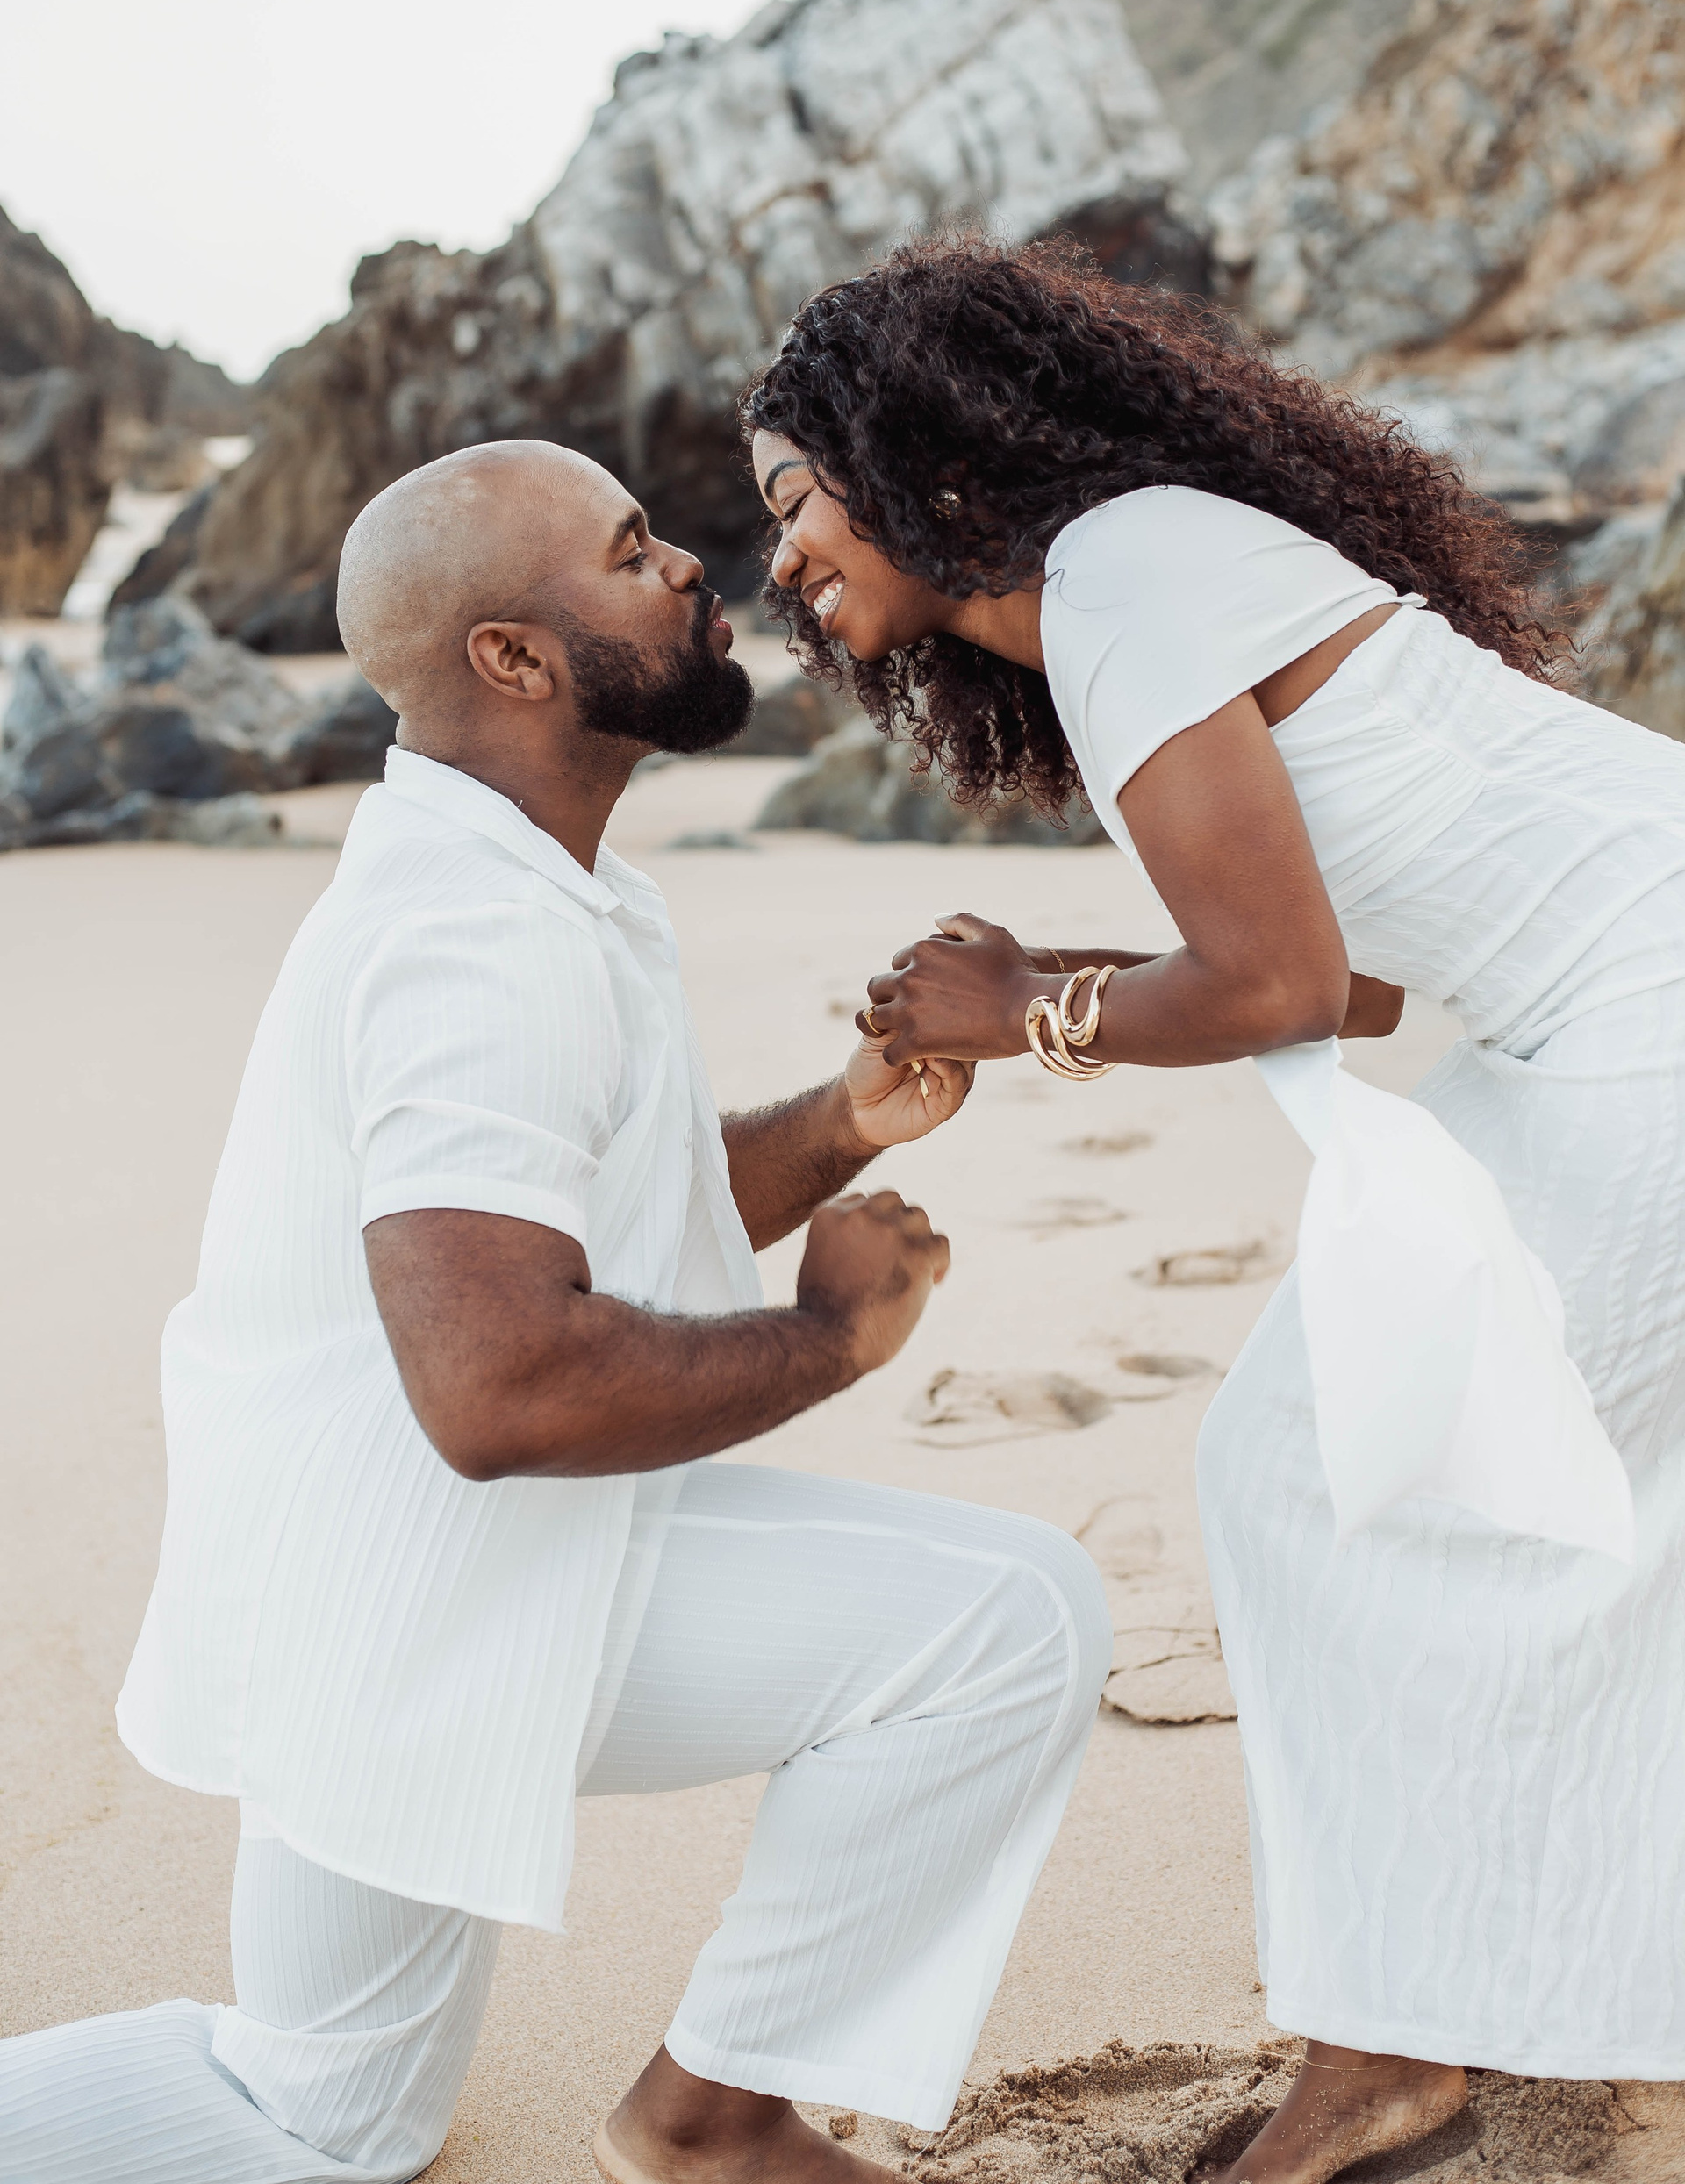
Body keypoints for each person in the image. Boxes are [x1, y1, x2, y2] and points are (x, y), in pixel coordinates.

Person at [0, 440, 1114, 2184]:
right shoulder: (478, 937)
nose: (686, 567)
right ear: (513, 658)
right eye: (629, 550)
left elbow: (572, 1223)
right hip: (429, 1592)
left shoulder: (521, 880)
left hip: (360, 1579)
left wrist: (838, 1127)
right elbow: (501, 1386)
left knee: (326, 2112)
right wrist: (832, 1339)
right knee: (1013, 1622)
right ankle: (713, 2125)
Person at [745, 236, 1685, 2184]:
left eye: (793, 499)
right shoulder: (1135, 575)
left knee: (1339, 1472)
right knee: (1397, 1477)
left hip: (1647, 1015)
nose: (779, 558)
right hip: (1589, 1021)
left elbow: (1277, 987)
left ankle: (1392, 2054)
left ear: (906, 450)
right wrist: (1036, 994)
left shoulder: (1124, 577)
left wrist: (1026, 1006)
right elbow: (1351, 983)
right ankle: (1436, 2016)